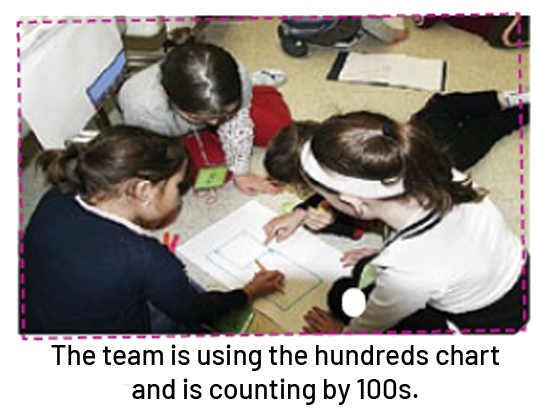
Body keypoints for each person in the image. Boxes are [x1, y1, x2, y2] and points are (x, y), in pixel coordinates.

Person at [23, 126, 284, 334]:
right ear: (143, 190)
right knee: (194, 301)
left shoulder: (56, 195)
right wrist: (248, 292)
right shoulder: (146, 258)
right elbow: (194, 311)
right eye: (178, 186)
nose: (180, 197)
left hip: (33, 319)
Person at [298, 111, 528, 334]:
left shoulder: (406, 271)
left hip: (486, 321)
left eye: (326, 198)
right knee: (361, 275)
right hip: (519, 275)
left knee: (341, 297)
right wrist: (387, 252)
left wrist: (343, 333)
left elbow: (370, 326)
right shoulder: (438, 174)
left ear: (353, 202)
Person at [263, 90, 529, 266]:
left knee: (479, 122)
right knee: (447, 107)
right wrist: (301, 213)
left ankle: (512, 100)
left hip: (447, 154)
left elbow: (365, 215)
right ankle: (509, 99)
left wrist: (330, 219)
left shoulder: (375, 197)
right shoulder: (343, 147)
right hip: (419, 131)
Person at [118, 38, 291, 196]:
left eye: (224, 113)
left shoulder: (238, 73)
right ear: (169, 98)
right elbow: (156, 155)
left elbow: (237, 124)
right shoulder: (144, 110)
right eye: (197, 116)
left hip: (216, 107)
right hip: (169, 134)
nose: (216, 122)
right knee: (208, 173)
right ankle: (206, 127)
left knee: (281, 133)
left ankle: (258, 85)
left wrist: (242, 172)